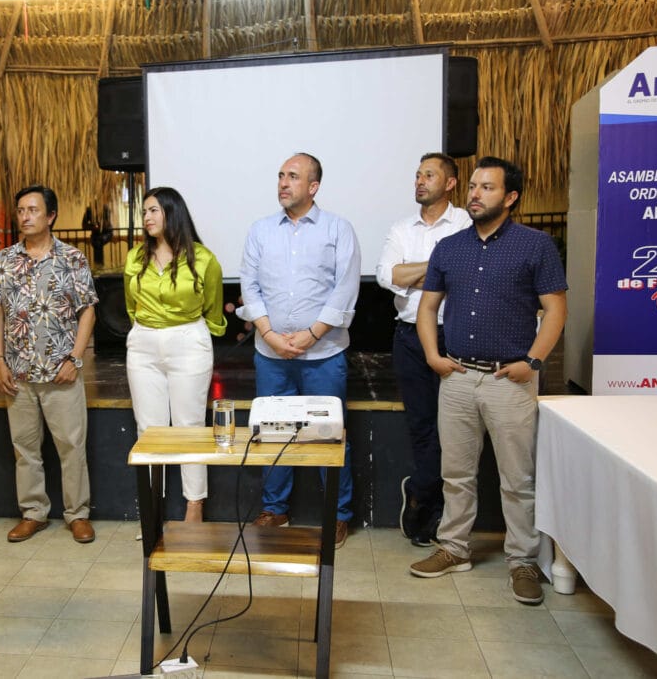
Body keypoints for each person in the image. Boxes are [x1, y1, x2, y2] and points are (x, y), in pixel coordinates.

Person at [408, 156, 567, 606]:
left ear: (511, 197)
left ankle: (523, 561)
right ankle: (454, 548)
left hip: (510, 379)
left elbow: (556, 310)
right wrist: (434, 356)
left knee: (518, 479)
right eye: (473, 186)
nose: (475, 194)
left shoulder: (536, 246)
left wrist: (533, 363)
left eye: (488, 188)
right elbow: (426, 308)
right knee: (455, 473)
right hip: (456, 376)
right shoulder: (450, 247)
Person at [237, 152, 360, 548]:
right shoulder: (260, 231)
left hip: (323, 354)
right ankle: (275, 508)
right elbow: (249, 287)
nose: (283, 183)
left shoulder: (339, 229)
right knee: (273, 433)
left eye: (293, 176)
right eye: (280, 176)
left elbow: (345, 289)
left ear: (313, 186)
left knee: (328, 436)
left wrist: (312, 333)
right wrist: (271, 335)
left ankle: (337, 514)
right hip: (271, 354)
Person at [0, 185, 98, 544]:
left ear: (50, 216)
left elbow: (88, 312)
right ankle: (33, 513)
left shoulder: (73, 258)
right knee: (24, 449)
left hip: (61, 371)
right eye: (21, 210)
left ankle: (77, 514)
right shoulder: (4, 260)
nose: (25, 216)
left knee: (71, 446)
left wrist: (75, 358)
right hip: (17, 372)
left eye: (33, 210)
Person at [375, 153, 471, 546]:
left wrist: (416, 271)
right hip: (410, 337)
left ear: (449, 183)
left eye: (429, 175)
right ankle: (429, 511)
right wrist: (439, 265)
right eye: (417, 175)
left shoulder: (465, 222)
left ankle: (420, 490)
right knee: (422, 425)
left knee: (454, 429)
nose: (420, 181)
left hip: (457, 335)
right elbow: (387, 276)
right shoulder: (402, 227)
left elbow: (463, 270)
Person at [124, 187, 227, 522]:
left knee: (190, 425)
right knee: (148, 427)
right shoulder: (135, 258)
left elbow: (213, 310)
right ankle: (152, 509)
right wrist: (148, 330)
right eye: (144, 212)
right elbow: (130, 305)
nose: (147, 218)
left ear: (172, 212)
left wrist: (187, 335)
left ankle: (194, 506)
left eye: (154, 210)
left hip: (188, 340)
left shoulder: (204, 259)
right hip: (143, 342)